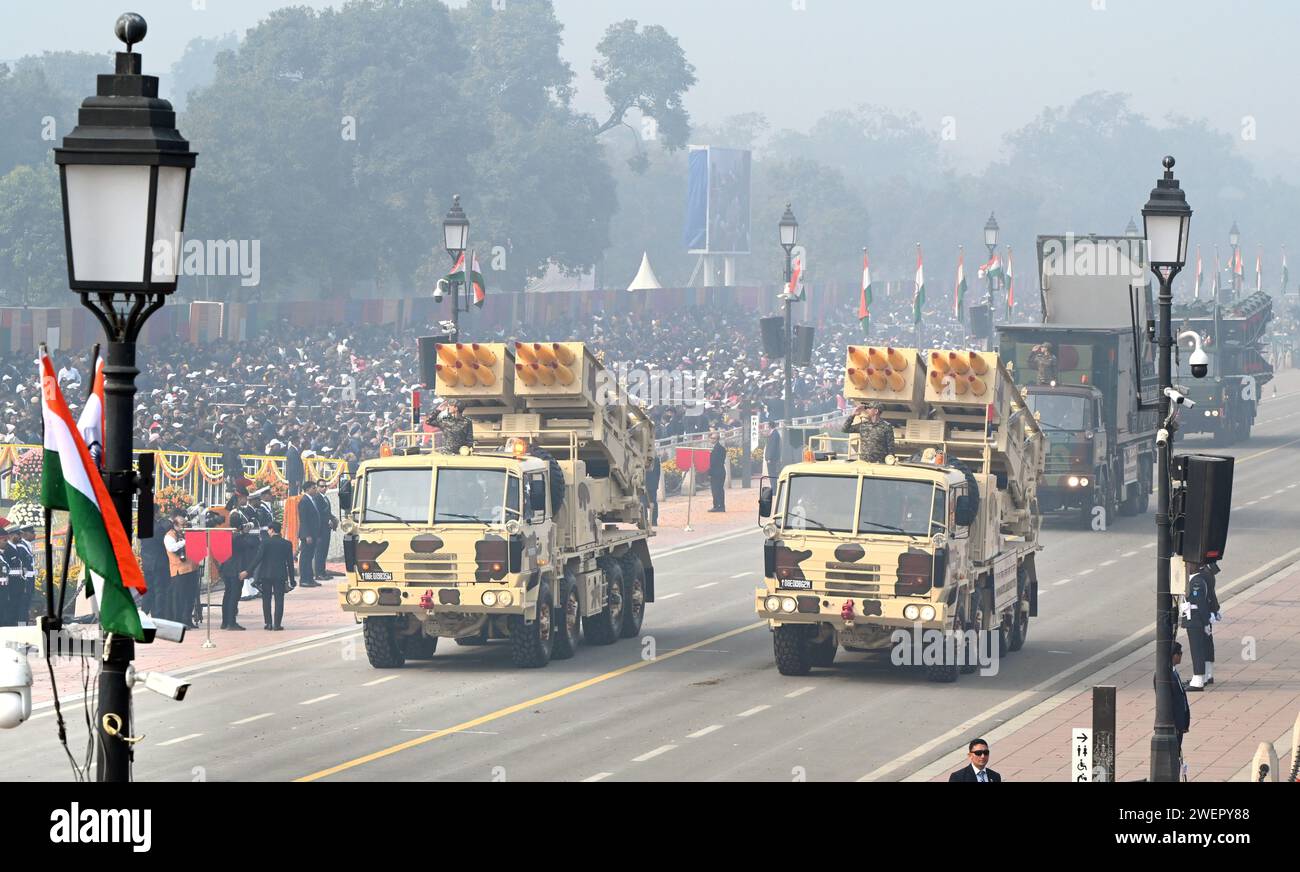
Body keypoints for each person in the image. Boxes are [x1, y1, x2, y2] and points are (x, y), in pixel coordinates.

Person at [1182, 561, 1221, 690]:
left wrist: (1206, 622)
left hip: (1195, 619)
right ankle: (1203, 676)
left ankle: (1198, 679)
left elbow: (1201, 604)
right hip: (1197, 618)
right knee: (1202, 647)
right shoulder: (1198, 578)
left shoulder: (1197, 582)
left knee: (1197, 649)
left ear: (1194, 566)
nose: (1186, 567)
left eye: (1188, 565)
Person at [218, 523, 261, 631]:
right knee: (234, 595)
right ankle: (231, 622)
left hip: (226, 567)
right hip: (236, 569)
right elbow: (253, 544)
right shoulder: (238, 538)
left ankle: (225, 621)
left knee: (227, 595)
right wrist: (245, 533)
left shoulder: (226, 536)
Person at [164, 511, 199, 629]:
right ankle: (178, 622)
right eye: (182, 525)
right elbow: (171, 547)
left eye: (185, 524)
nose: (184, 527)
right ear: (175, 525)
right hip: (179, 571)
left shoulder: (187, 533)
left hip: (192, 568)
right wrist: (185, 541)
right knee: (179, 598)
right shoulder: (170, 535)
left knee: (190, 597)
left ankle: (187, 620)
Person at [296, 481, 322, 588]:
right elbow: (304, 520)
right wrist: (307, 535)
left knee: (310, 556)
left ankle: (310, 578)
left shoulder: (312, 500)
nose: (315, 490)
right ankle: (304, 580)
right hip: (307, 535)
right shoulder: (304, 501)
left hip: (313, 533)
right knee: (305, 557)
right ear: (307, 489)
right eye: (313, 488)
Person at [312, 478, 338, 580]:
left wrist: (333, 518)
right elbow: (318, 514)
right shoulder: (317, 498)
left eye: (325, 486)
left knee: (324, 551)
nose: (324, 488)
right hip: (320, 529)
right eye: (321, 486)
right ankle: (318, 573)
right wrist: (328, 521)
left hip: (327, 529)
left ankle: (323, 572)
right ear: (317, 487)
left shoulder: (325, 498)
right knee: (319, 552)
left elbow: (327, 513)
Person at [16, 525, 37, 625]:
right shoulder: (21, 546)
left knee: (27, 604)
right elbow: (22, 565)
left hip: (30, 580)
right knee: (23, 605)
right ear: (24, 534)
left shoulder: (27, 545)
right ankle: (22, 626)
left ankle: (25, 624)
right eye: (32, 532)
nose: (34, 534)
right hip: (25, 581)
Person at [707, 430, 727, 512]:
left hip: (717, 472)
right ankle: (718, 505)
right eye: (711, 438)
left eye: (713, 438)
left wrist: (709, 471)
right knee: (717, 489)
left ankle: (719, 506)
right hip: (719, 472)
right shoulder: (718, 448)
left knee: (717, 490)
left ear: (717, 439)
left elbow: (714, 462)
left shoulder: (718, 449)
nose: (712, 440)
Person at [644, 454, 661, 526]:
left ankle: (652, 521)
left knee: (651, 502)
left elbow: (657, 472)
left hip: (650, 484)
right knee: (644, 503)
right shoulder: (655, 458)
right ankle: (647, 521)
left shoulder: (655, 458)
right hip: (648, 484)